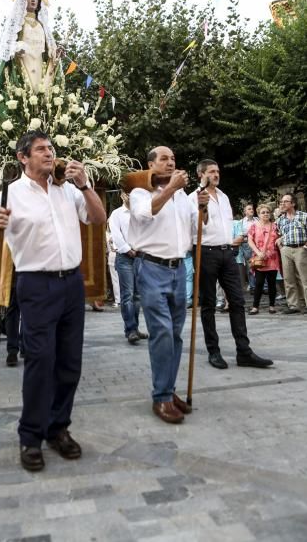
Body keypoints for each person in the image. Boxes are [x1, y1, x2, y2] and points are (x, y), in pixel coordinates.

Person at [0, 130, 106, 471]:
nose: (50, 154)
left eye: (51, 149)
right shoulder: (10, 194)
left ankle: (57, 428)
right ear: (23, 157)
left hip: (71, 284)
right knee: (40, 362)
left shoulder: (67, 190)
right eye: (42, 150)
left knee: (69, 363)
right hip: (35, 285)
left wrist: (85, 185)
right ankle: (30, 436)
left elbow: (98, 218)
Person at [128, 146, 209, 424]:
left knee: (174, 334)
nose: (170, 162)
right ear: (151, 164)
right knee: (161, 332)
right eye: (164, 159)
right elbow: (143, 214)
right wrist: (172, 189)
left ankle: (169, 389)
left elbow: (199, 226)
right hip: (151, 267)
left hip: (178, 268)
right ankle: (161, 396)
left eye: (173, 158)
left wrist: (202, 207)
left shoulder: (183, 198)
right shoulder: (140, 192)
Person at [189, 159, 273, 370]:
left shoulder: (224, 197)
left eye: (218, 171)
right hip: (206, 252)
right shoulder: (192, 198)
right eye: (211, 172)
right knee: (208, 304)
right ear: (201, 174)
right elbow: (198, 225)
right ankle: (213, 351)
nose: (216, 174)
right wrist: (203, 206)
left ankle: (244, 352)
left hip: (227, 253)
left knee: (237, 301)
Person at [108, 192, 147, 344]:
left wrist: (140, 248)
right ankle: (130, 329)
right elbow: (116, 235)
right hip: (124, 257)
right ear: (123, 195)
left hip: (140, 256)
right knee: (127, 295)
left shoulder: (141, 212)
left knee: (137, 295)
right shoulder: (116, 214)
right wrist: (127, 249)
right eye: (128, 193)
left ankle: (135, 328)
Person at [276, 193, 307, 314]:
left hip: (300, 249)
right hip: (286, 250)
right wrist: (281, 245)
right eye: (281, 202)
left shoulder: (303, 216)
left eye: (285, 201)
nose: (282, 204)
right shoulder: (280, 220)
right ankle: (293, 305)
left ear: (293, 203)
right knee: (288, 279)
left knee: (304, 278)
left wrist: (305, 246)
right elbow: (279, 234)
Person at [247, 204, 280, 315]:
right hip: (259, 258)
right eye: (263, 212)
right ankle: (255, 307)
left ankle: (272, 305)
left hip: (272, 258)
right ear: (259, 214)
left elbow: (279, 238)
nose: (266, 214)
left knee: (271, 283)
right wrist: (258, 252)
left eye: (267, 212)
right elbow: (250, 241)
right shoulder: (254, 226)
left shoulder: (275, 226)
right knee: (259, 283)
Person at [240, 204, 257, 292]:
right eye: (249, 209)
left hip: (258, 244)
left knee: (261, 264)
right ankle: (252, 286)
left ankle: (264, 287)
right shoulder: (241, 222)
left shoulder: (257, 220)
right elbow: (240, 235)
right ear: (245, 212)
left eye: (252, 209)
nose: (251, 210)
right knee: (250, 266)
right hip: (247, 245)